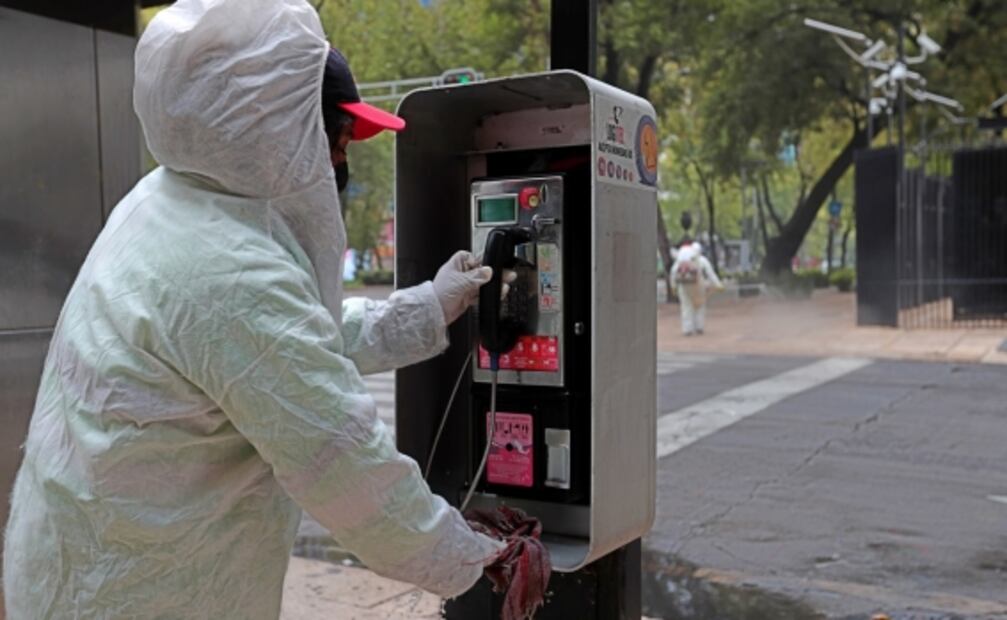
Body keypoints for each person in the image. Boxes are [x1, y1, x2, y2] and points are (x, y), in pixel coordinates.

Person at [2, 1, 504, 617]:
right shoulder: (227, 269)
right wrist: (479, 558)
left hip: (83, 568)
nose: (339, 164)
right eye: (338, 142)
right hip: (143, 595)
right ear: (277, 130)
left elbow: (276, 346)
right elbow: (345, 466)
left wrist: (428, 306)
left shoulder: (167, 203)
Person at [670, 242, 723, 336]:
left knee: (686, 307)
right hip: (698, 286)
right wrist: (718, 284)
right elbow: (710, 273)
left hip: (683, 287)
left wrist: (673, 286)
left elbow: (673, 273)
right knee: (700, 306)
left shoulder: (680, 260)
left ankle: (687, 329)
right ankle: (699, 327)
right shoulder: (702, 260)